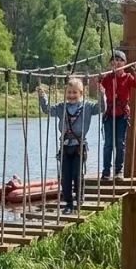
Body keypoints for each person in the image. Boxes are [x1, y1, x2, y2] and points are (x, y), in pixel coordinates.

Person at [39, 77, 103, 215]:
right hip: (65, 147)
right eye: (69, 93)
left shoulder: (87, 107)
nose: (71, 96)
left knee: (77, 175)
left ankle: (79, 198)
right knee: (65, 177)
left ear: (81, 93)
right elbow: (48, 110)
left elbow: (102, 108)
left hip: (79, 147)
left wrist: (101, 93)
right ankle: (68, 203)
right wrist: (42, 97)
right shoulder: (61, 107)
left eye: (74, 93)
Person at [96, 50, 136, 181]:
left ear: (124, 63)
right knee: (108, 144)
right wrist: (98, 80)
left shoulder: (128, 77)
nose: (117, 63)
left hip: (122, 114)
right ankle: (106, 172)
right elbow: (98, 86)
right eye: (114, 61)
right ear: (111, 64)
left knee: (120, 143)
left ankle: (118, 171)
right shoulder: (107, 78)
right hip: (109, 113)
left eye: (119, 60)